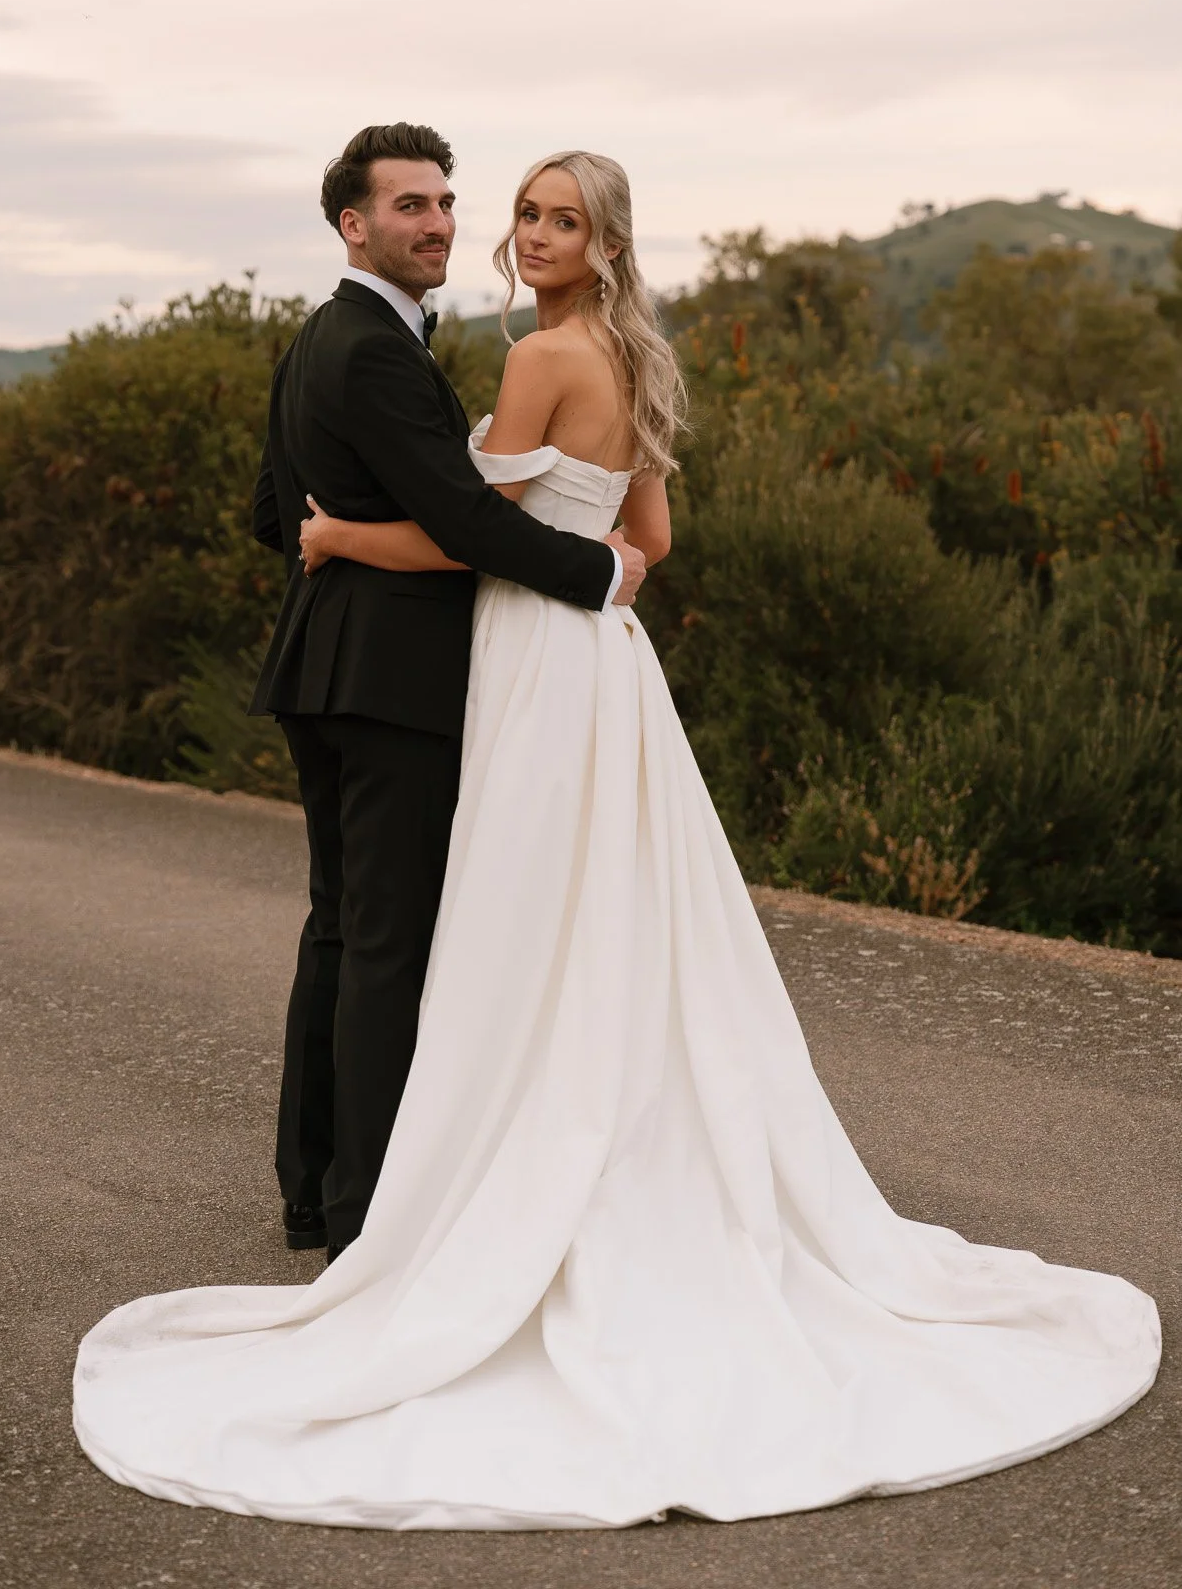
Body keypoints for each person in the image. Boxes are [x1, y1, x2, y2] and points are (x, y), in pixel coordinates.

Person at [74, 150, 1159, 1531]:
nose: (519, 235)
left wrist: (343, 533)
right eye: (518, 213)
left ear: (600, 240)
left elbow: (468, 534)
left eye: (553, 218)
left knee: (491, 917)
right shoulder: (632, 358)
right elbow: (650, 532)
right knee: (594, 911)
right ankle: (395, 1176)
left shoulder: (533, 360)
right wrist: (611, 577)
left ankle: (421, 1187)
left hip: (531, 655)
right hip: (608, 667)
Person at [246, 123, 644, 1260]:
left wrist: (338, 540)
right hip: (392, 679)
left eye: (444, 200)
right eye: (409, 204)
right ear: (352, 223)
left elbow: (276, 516)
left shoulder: (318, 337)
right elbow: (473, 525)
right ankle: (369, 1213)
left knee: (341, 929)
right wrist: (600, 570)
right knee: (387, 941)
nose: (437, 222)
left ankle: (313, 1189)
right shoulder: (373, 346)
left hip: (323, 665)